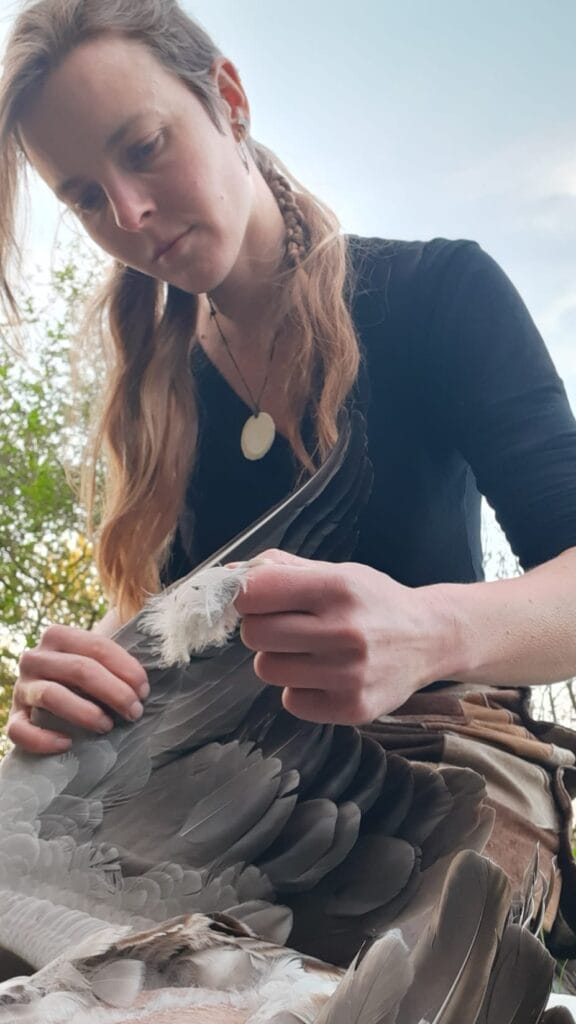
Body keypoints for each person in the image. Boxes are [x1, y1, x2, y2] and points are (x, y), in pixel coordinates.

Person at [2, 0, 576, 954]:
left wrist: (434, 631)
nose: (129, 215)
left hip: (441, 771)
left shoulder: (438, 294)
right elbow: (173, 615)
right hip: (208, 797)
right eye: (85, 198)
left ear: (229, 98)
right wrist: (85, 674)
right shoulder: (161, 393)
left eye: (144, 148)